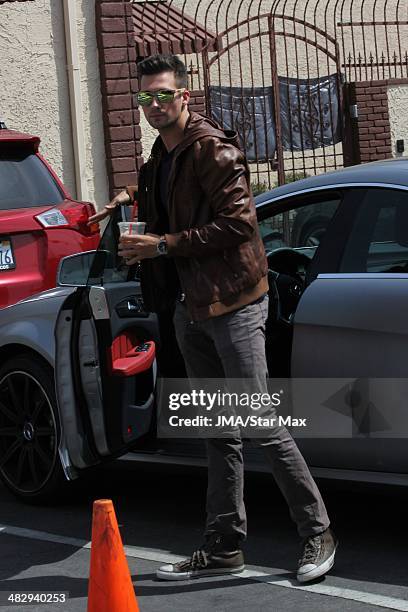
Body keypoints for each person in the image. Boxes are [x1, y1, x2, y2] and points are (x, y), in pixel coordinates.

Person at [89, 53, 337, 583]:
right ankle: (224, 545)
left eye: (164, 95)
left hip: (235, 302)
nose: (155, 105)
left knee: (260, 423)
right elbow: (169, 191)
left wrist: (162, 245)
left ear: (185, 95)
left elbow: (240, 223)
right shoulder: (163, 151)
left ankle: (317, 532)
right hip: (190, 304)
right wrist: (126, 199)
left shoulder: (211, 149)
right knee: (218, 428)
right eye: (146, 98)